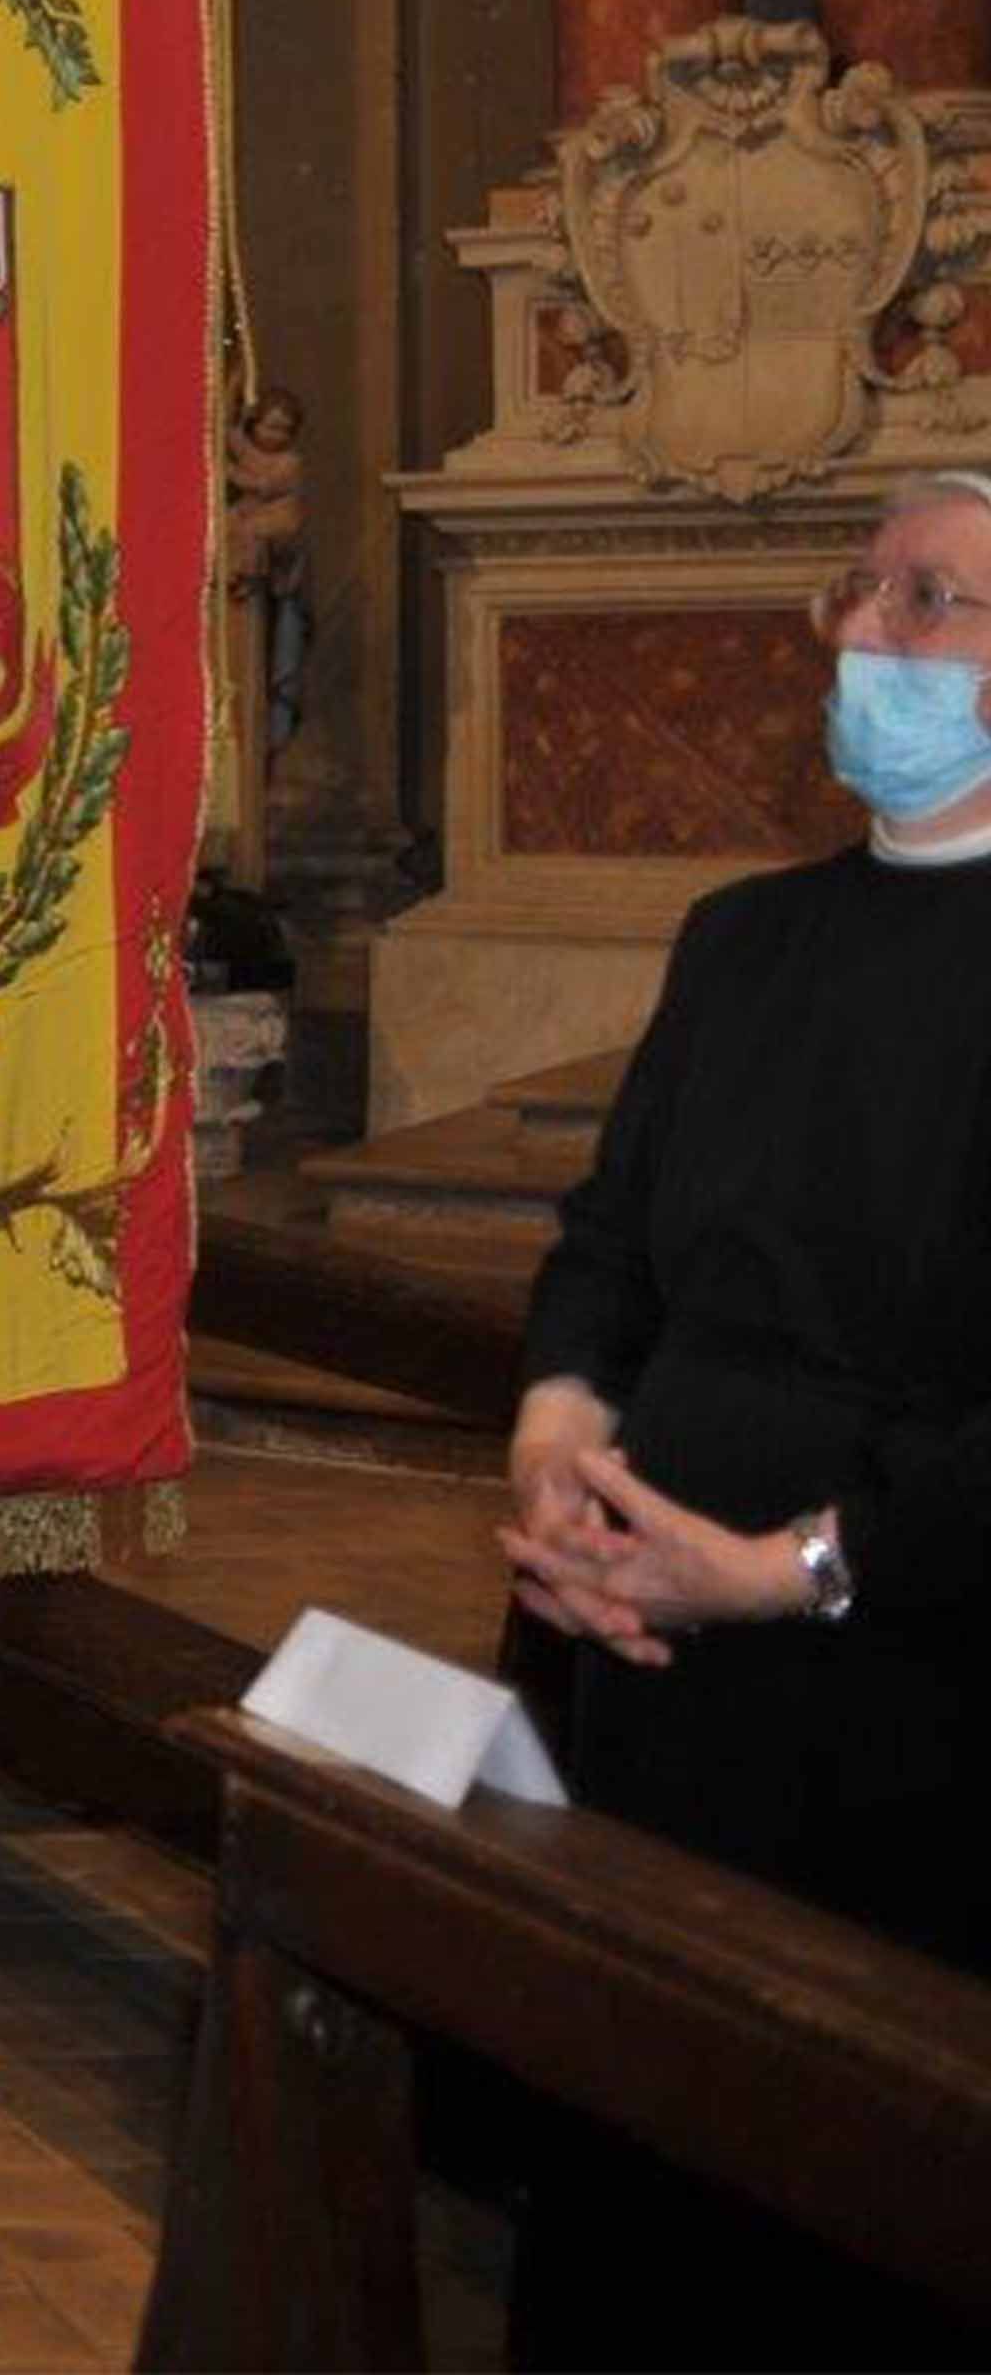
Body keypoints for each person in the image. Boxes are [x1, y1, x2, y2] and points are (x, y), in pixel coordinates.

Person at [497, 469, 991, 2364]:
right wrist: (557, 1441)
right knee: (629, 2146)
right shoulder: (742, 938)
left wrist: (789, 1571)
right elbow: (610, 1244)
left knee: (840, 2187)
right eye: (856, 590)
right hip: (641, 1649)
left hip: (908, 1676)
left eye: (927, 600)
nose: (864, 634)